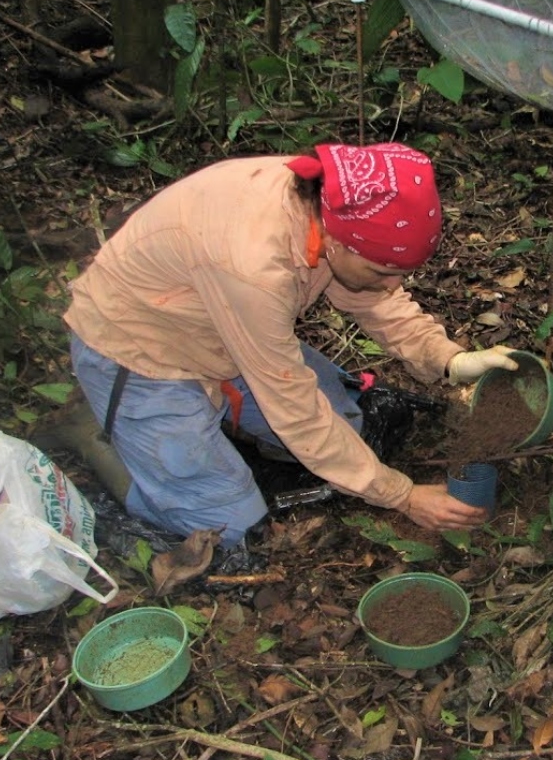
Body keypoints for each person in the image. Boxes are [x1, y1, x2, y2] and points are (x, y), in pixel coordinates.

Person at [64, 142, 518, 550]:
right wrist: (401, 495)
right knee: (231, 529)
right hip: (139, 353)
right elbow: (294, 409)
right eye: (383, 270)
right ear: (339, 241)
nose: (392, 284)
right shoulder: (257, 266)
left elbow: (375, 300)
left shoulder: (329, 206)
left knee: (348, 424)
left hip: (226, 333)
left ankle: (213, 430)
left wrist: (451, 360)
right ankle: (98, 439)